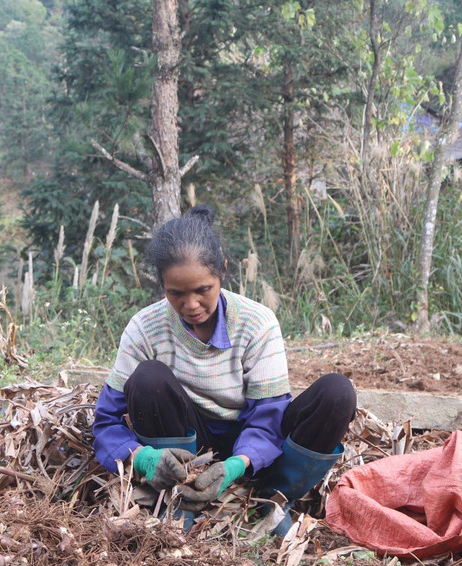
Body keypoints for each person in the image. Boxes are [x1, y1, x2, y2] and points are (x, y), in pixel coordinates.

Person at [93, 205, 356, 535]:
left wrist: (236, 465)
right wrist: (145, 459)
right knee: (148, 378)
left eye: (203, 289)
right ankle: (181, 498)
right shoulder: (145, 328)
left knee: (337, 394)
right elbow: (105, 421)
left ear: (223, 273)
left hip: (253, 452)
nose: (191, 305)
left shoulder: (256, 323)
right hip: (187, 441)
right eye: (176, 293)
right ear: (160, 283)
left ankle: (270, 499)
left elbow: (268, 415)